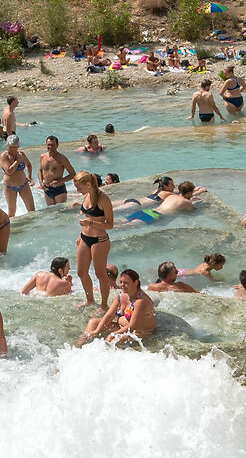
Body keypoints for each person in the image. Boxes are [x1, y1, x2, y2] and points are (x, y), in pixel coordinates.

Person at [80, 269, 157, 347]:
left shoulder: (141, 301)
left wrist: (113, 334)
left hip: (140, 331)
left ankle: (104, 355)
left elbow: (133, 326)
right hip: (121, 327)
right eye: (121, 282)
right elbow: (109, 315)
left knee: (115, 340)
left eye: (126, 283)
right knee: (93, 322)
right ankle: (79, 346)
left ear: (136, 282)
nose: (122, 285)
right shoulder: (121, 295)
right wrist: (96, 331)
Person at [73, 171, 115, 306]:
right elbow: (87, 217)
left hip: (100, 241)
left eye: (79, 187)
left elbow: (110, 225)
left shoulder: (104, 199)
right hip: (85, 238)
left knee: (101, 275)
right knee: (81, 272)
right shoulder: (86, 195)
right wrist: (80, 234)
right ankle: (90, 300)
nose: (77, 190)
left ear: (89, 184)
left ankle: (104, 305)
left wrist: (91, 224)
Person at [0, 137, 35, 216]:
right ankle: (11, 227)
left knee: (32, 210)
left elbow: (28, 165)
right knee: (12, 212)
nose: (12, 149)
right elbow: (9, 171)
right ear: (7, 145)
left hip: (24, 185)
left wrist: (29, 177)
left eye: (15, 147)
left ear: (18, 146)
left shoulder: (21, 154)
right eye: (10, 147)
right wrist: (18, 161)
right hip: (10, 187)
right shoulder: (4, 156)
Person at [37, 136, 75, 206]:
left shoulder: (62, 159)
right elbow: (40, 170)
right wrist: (41, 182)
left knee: (60, 212)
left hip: (59, 189)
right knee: (50, 212)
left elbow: (73, 174)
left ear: (57, 145)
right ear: (46, 145)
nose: (50, 147)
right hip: (47, 189)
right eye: (49, 145)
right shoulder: (42, 157)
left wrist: (60, 181)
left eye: (53, 145)